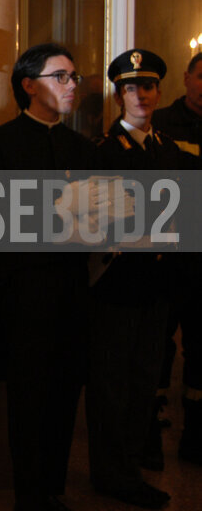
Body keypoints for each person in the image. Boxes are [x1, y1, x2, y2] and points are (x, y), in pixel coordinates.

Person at [0, 43, 95, 511]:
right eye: (59, 76)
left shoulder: (84, 150)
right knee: (27, 400)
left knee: (66, 394)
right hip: (22, 297)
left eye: (73, 78)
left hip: (72, 292)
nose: (71, 86)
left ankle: (52, 488)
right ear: (28, 85)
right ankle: (29, 495)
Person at [87, 49, 179, 510]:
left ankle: (130, 468)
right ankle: (113, 474)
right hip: (116, 287)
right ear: (118, 95)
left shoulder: (169, 150)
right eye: (129, 87)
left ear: (159, 92)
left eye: (147, 86)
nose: (140, 95)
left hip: (158, 286)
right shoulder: (102, 151)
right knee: (112, 386)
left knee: (144, 383)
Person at [151, 51, 202, 467]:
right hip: (168, 254)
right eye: (201, 77)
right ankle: (149, 424)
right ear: (187, 78)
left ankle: (196, 435)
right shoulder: (162, 124)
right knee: (158, 343)